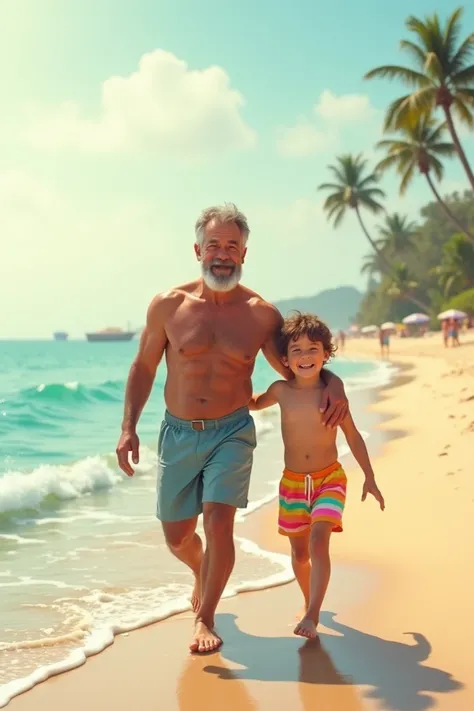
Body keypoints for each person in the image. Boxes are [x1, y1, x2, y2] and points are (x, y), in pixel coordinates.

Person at [116, 204, 349, 654]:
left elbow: (300, 368)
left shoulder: (261, 315)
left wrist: (334, 382)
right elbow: (144, 366)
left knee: (219, 521)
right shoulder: (168, 305)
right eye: (214, 245)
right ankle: (201, 567)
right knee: (178, 535)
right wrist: (128, 427)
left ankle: (205, 616)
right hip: (179, 432)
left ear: (245, 252)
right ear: (198, 249)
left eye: (232, 246)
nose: (222, 254)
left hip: (232, 431)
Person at [249, 312, 385, 640]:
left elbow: (352, 436)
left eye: (313, 349)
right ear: (284, 359)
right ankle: (309, 600)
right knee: (298, 554)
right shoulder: (280, 390)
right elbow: (251, 403)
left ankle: (313, 614)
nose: (305, 356)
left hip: (329, 478)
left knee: (318, 540)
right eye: (296, 350)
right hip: (293, 483)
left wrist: (369, 476)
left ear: (327, 354)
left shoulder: (332, 396)